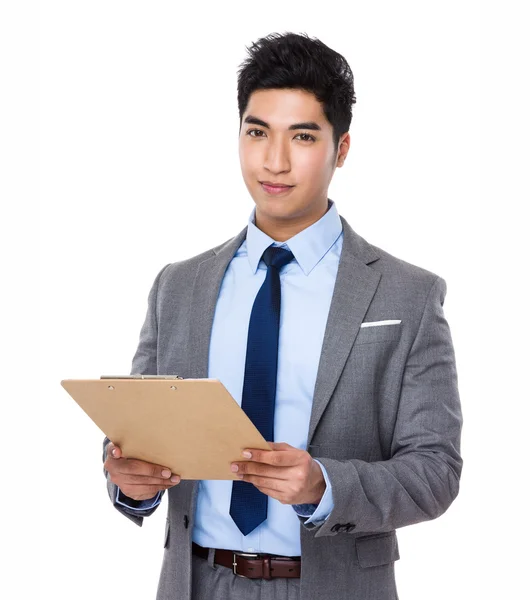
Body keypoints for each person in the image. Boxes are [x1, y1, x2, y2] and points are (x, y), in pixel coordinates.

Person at [102, 31, 463, 600]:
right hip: (196, 582)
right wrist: (128, 479)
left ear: (341, 149)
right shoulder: (179, 285)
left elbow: (436, 470)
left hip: (330, 586)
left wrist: (325, 484)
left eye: (302, 136)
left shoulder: (406, 295)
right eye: (257, 132)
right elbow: (138, 429)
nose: (274, 160)